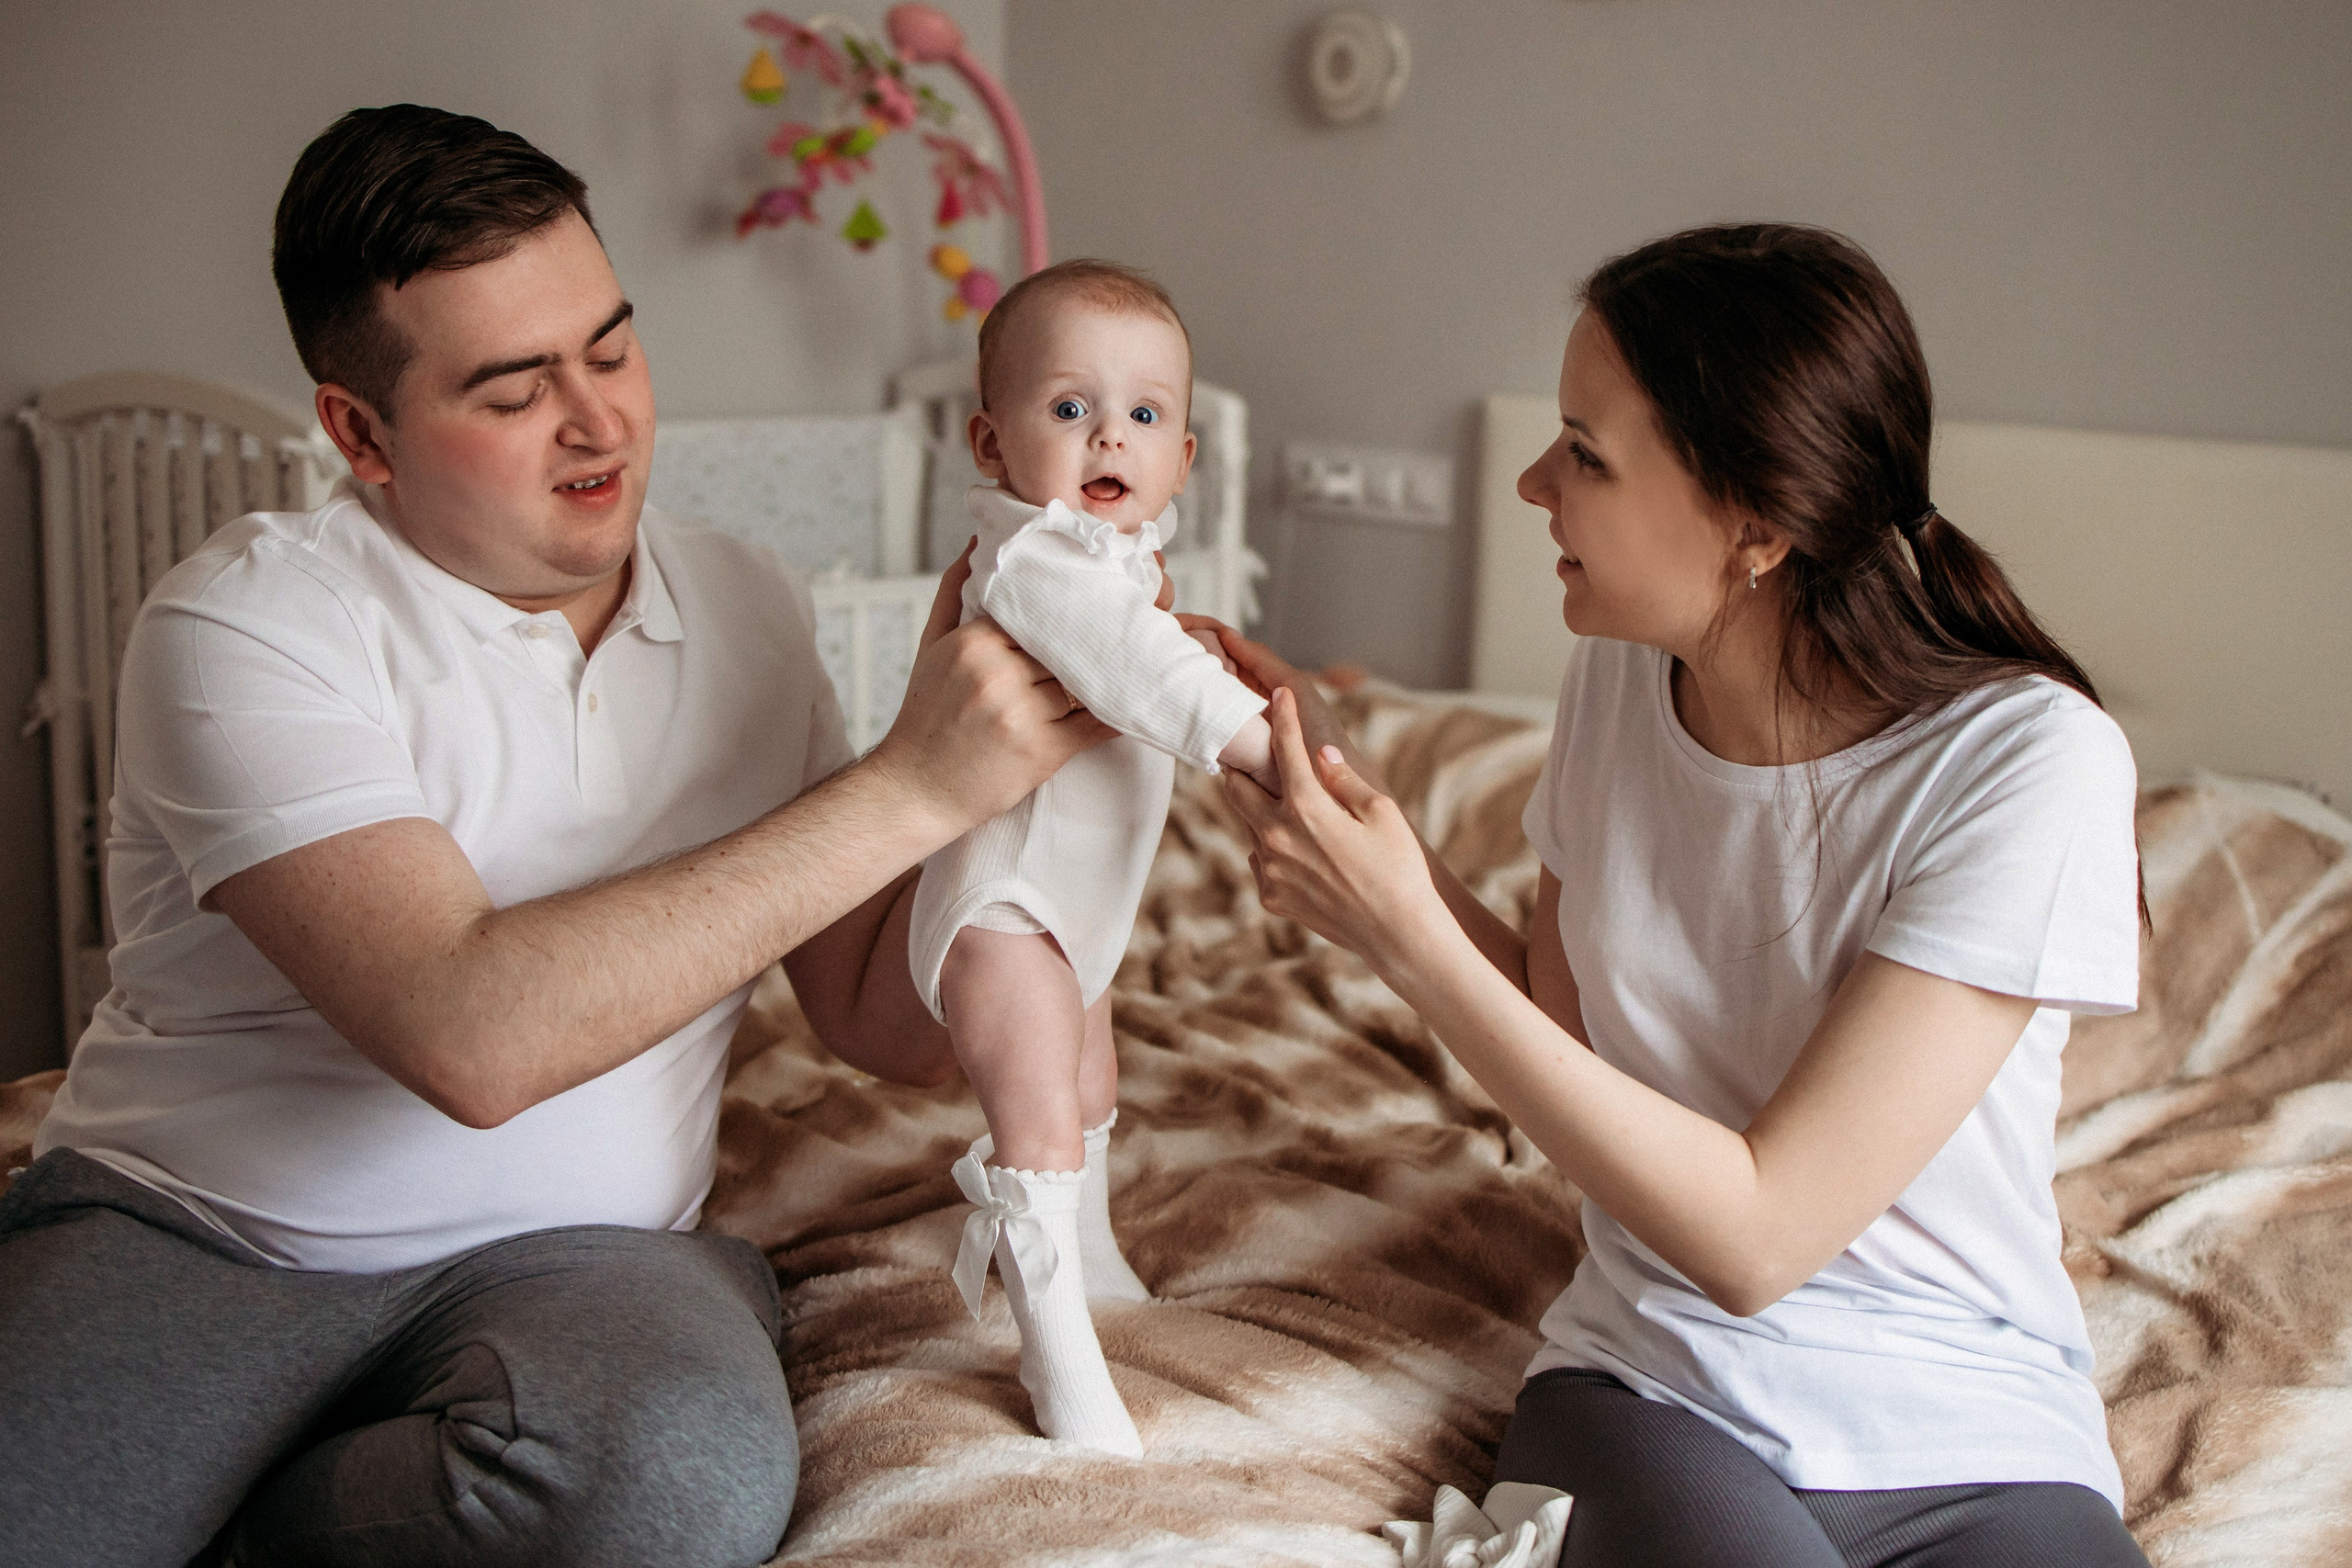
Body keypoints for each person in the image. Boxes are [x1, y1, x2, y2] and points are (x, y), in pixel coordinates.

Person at [0, 105, 1121, 1568]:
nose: (601, 423)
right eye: (516, 388)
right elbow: (470, 1035)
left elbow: (873, 1018)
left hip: (591, 1260)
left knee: (675, 1486)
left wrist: (1065, 841)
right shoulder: (247, 621)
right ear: (360, 431)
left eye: (610, 348)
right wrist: (916, 783)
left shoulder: (746, 604)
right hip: (200, 1231)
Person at [1213, 224, 2153, 1566]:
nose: (1535, 482)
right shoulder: (1620, 674)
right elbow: (1565, 1034)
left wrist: (1403, 931)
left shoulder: (2027, 764)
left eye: (1586, 455)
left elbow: (1763, 1235)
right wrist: (1344, 811)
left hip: (1974, 1432)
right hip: (1660, 1390)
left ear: (1760, 523)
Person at [910, 260, 1275, 1455]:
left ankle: (1098, 1256)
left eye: (1146, 414)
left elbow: (1148, 640)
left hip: (1082, 910)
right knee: (1038, 1119)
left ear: (1183, 458)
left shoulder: (1122, 562)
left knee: (1092, 1088)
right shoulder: (1033, 561)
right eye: (1069, 408)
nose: (1108, 433)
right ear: (991, 440)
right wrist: (1268, 749)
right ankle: (1056, 1351)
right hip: (1007, 907)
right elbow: (1138, 669)